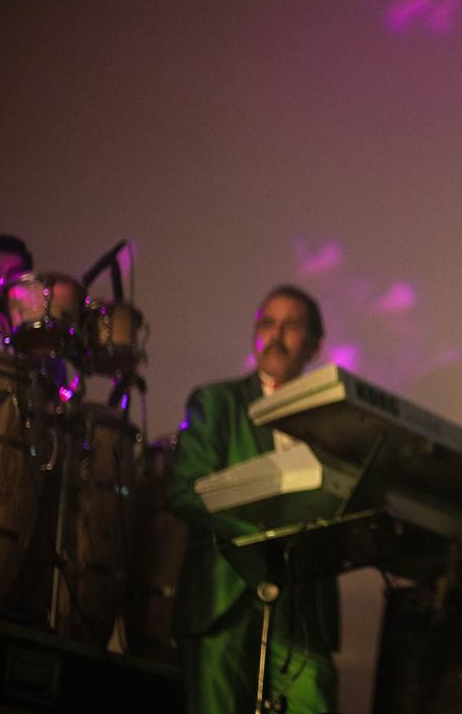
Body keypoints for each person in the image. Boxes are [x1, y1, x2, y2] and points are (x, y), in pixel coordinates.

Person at [165, 285, 339, 713]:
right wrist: (262, 537)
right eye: (267, 323)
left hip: (301, 609)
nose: (276, 336)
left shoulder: (335, 420)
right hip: (225, 600)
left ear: (315, 344)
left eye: (291, 326)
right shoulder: (217, 402)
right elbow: (184, 490)